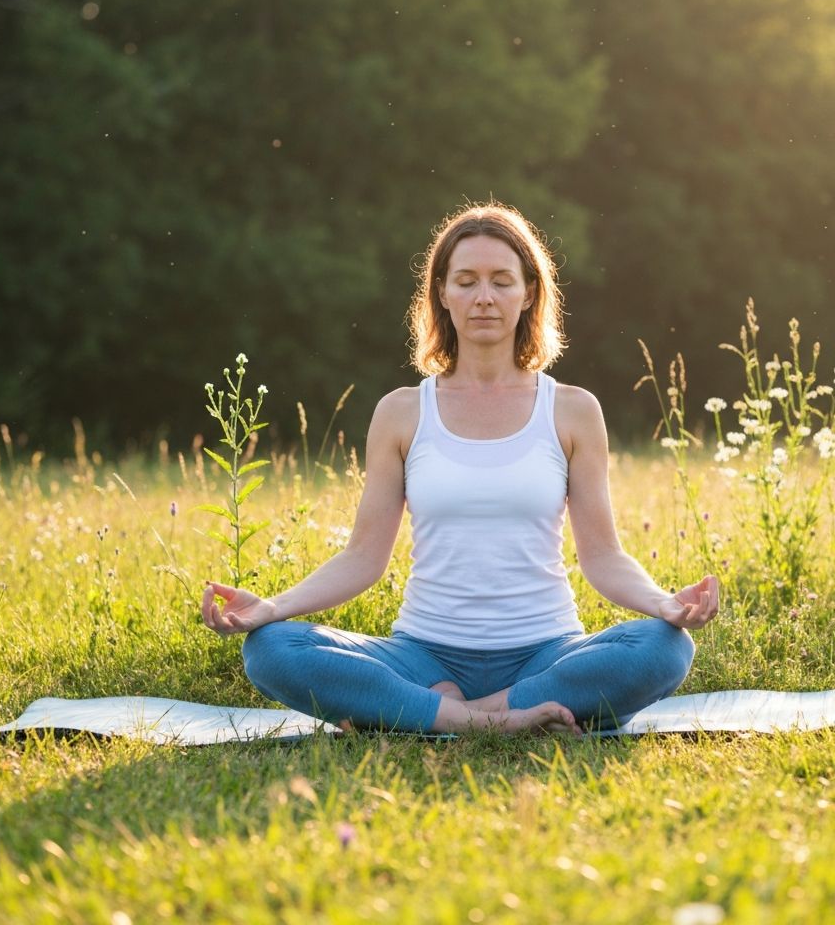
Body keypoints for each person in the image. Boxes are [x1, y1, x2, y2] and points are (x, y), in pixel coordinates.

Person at [202, 202, 719, 735]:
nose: (484, 297)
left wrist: (663, 604)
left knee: (664, 649)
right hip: (423, 658)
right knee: (271, 649)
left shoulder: (572, 410)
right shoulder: (402, 412)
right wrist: (273, 608)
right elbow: (363, 557)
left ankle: (452, 714)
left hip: (545, 653)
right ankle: (494, 719)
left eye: (502, 281)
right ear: (442, 295)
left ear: (529, 293)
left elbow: (603, 556)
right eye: (466, 282)